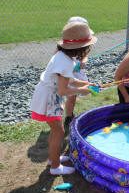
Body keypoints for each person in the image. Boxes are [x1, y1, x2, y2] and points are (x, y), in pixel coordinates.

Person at [30, 22, 97, 175]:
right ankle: (55, 167)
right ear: (81, 47)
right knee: (58, 132)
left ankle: (53, 159)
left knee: (56, 131)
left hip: (49, 96)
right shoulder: (65, 62)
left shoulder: (63, 57)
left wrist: (87, 83)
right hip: (49, 98)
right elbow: (63, 89)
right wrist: (84, 89)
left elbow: (70, 80)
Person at [64, 16, 92, 128]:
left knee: (74, 96)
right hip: (67, 75)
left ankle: (69, 114)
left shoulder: (84, 44)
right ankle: (68, 117)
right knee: (70, 96)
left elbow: (85, 56)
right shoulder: (64, 47)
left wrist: (83, 62)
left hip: (77, 73)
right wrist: (71, 66)